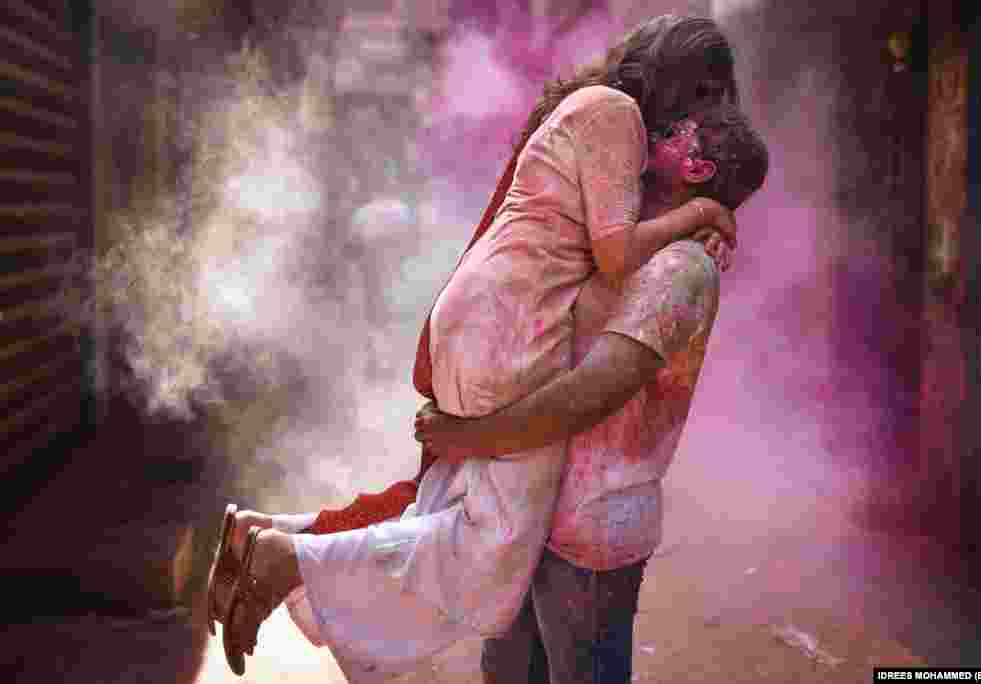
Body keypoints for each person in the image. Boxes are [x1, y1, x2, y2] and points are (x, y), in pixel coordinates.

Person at [207, 15, 754, 681]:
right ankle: (285, 555)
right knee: (472, 548)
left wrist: (700, 218)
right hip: (516, 373)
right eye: (699, 100)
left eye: (715, 106)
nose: (702, 121)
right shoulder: (616, 138)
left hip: (509, 371)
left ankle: (274, 541)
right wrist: (700, 214)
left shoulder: (626, 176)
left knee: (445, 531)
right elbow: (592, 353)